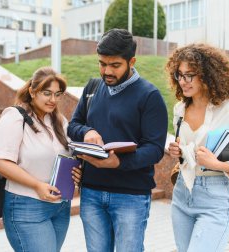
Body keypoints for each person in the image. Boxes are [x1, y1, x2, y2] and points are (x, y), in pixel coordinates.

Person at [67, 28, 168, 252]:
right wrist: (87, 132)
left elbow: (154, 149)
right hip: (91, 193)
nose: (106, 71)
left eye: (115, 65)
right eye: (102, 64)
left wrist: (119, 163)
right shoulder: (92, 88)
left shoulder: (150, 96)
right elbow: (72, 126)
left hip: (130, 197)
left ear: (131, 61)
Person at [166, 43, 229, 252]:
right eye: (179, 75)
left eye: (189, 75)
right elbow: (187, 150)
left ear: (207, 75)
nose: (183, 81)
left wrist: (217, 164)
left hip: (216, 198)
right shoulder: (180, 109)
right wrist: (179, 151)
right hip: (182, 194)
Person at [0, 67, 82, 252]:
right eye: (47, 93)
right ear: (32, 91)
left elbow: (68, 155)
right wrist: (37, 185)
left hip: (60, 206)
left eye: (57, 94)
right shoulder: (15, 117)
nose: (53, 100)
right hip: (27, 205)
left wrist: (77, 172)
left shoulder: (59, 120)